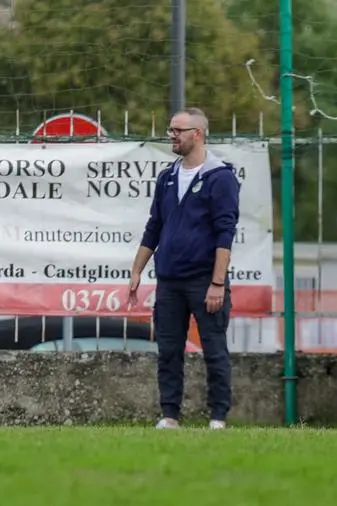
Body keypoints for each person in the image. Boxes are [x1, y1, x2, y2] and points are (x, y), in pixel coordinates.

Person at [128, 107, 241, 430]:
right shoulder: (167, 177)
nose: (172, 136)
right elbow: (155, 226)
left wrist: (217, 283)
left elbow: (225, 232)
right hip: (170, 283)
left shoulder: (221, 178)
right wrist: (137, 270)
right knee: (168, 351)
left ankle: (218, 417)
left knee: (214, 350)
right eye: (171, 130)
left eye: (178, 130)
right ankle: (169, 415)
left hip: (205, 281)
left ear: (198, 134)